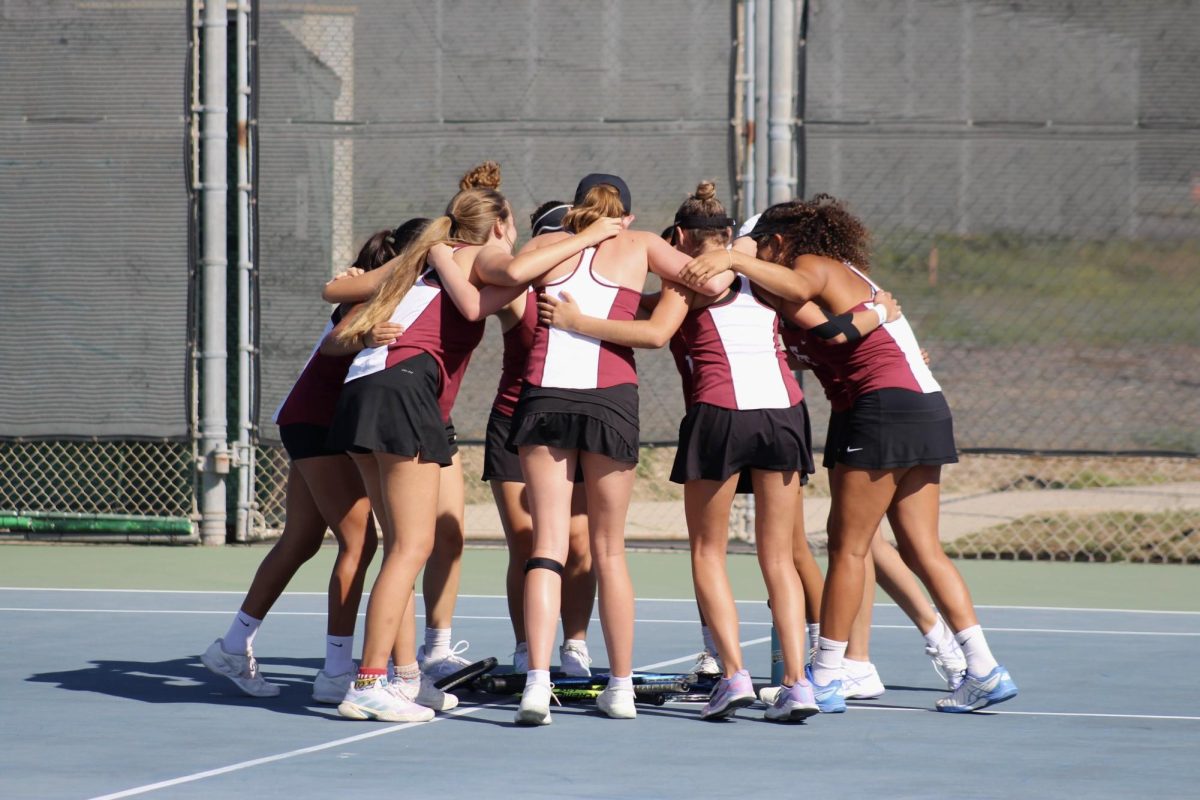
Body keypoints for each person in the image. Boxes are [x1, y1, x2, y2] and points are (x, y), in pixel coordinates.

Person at [679, 194, 1017, 714]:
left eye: (762, 250)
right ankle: (983, 668)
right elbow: (833, 340)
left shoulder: (810, 266)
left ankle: (832, 674)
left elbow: (817, 313)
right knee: (920, 548)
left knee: (849, 547)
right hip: (922, 404)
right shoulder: (826, 287)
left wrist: (731, 257)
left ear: (778, 244)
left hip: (879, 409)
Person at [476, 173, 734, 725]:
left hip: (544, 395)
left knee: (546, 547)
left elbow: (509, 273)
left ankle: (537, 685)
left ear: (576, 209)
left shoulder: (547, 245)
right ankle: (619, 687)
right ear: (629, 215)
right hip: (610, 400)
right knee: (608, 550)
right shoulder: (640, 245)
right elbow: (713, 286)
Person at [200, 225, 405, 703]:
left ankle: (234, 644)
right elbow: (338, 340)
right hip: (317, 425)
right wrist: (364, 335)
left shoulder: (374, 295)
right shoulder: (369, 301)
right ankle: (336, 670)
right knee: (361, 542)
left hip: (309, 421)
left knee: (302, 539)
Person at [484, 200, 595, 676]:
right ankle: (528, 646)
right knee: (528, 541)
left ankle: (574, 643)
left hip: (575, 422)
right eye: (555, 236)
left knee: (579, 542)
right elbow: (488, 276)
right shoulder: (520, 291)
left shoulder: (592, 285)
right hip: (515, 422)